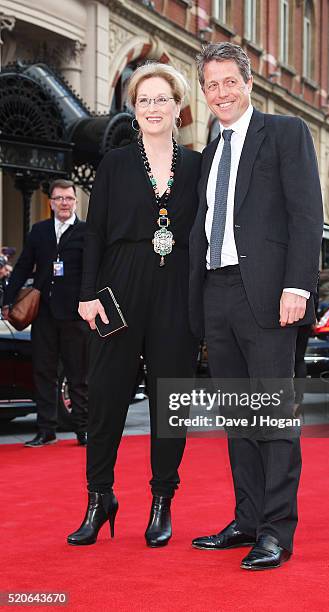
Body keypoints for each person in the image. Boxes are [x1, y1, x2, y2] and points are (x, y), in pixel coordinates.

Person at [189, 43, 323, 570]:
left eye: (229, 82)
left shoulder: (286, 133)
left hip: (269, 298)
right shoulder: (210, 149)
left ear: (248, 84)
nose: (221, 93)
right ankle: (246, 518)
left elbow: (306, 215)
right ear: (203, 93)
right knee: (238, 418)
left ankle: (276, 530)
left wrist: (298, 287)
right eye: (211, 85)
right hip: (217, 294)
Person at [67, 63, 201, 548]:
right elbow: (95, 233)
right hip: (118, 290)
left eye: (161, 99)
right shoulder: (116, 164)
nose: (152, 108)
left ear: (178, 106)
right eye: (143, 100)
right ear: (133, 108)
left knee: (171, 403)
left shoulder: (198, 164)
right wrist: (86, 294)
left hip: (176, 294)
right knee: (105, 398)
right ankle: (99, 498)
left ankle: (162, 500)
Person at [2, 180, 89, 447]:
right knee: (43, 373)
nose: (64, 203)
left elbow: (93, 272)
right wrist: (7, 300)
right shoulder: (38, 232)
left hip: (75, 315)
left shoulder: (87, 232)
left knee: (77, 375)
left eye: (69, 198)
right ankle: (46, 430)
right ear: (50, 202)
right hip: (44, 315)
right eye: (59, 198)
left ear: (75, 202)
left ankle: (82, 430)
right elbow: (22, 267)